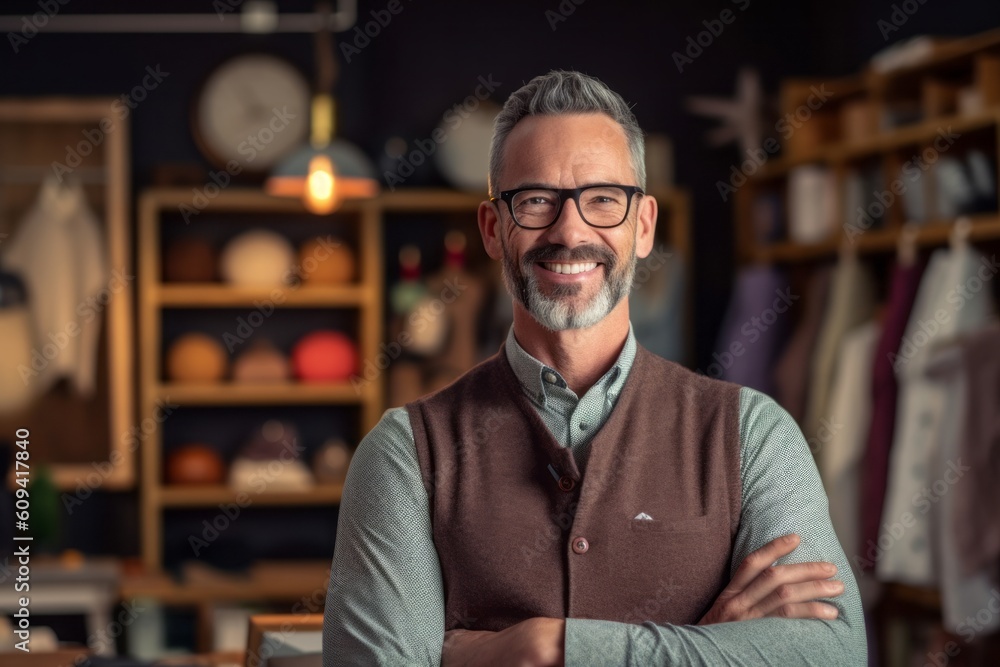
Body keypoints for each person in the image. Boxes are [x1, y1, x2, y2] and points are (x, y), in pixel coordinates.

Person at [323, 70, 866, 666]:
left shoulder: (753, 434)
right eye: (535, 201)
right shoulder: (404, 454)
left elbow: (832, 655)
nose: (571, 230)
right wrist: (708, 643)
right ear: (492, 229)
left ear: (643, 226)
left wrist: (548, 647)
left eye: (603, 199)